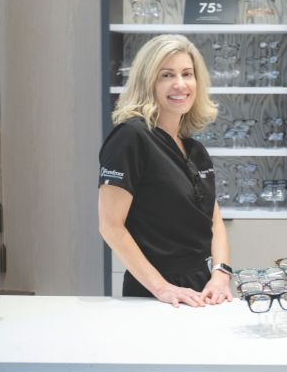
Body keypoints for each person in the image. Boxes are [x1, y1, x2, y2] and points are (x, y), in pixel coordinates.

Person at [98, 34, 233, 307]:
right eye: (167, 75)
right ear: (148, 82)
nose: (180, 84)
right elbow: (110, 225)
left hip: (201, 287)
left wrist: (221, 274)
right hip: (154, 292)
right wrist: (162, 288)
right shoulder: (131, 137)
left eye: (187, 74)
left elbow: (215, 220)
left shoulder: (194, 149)